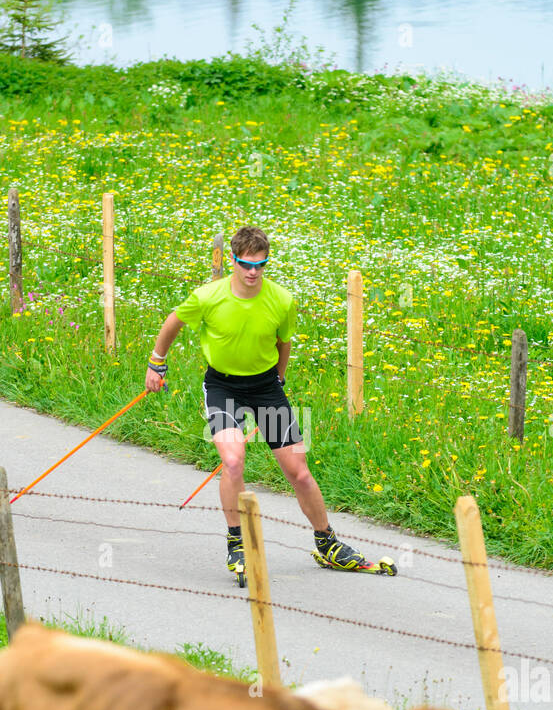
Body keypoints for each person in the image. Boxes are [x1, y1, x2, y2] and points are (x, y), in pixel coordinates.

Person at [145, 224, 395, 584]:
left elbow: (284, 342)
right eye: (246, 264)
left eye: (260, 265)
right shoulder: (207, 296)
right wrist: (157, 362)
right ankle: (237, 542)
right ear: (232, 260)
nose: (252, 272)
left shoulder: (282, 300)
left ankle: (327, 543)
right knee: (232, 460)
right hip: (223, 387)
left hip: (265, 388)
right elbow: (173, 322)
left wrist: (278, 379)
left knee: (300, 472)